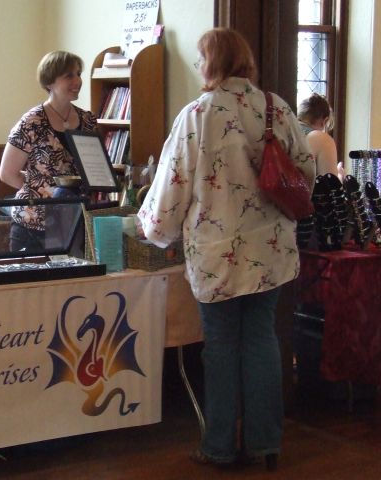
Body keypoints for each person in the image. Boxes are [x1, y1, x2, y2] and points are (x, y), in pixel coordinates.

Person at [137, 28, 315, 470]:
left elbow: (173, 184)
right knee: (262, 339)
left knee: (219, 346)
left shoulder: (198, 114)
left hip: (217, 253)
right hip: (270, 249)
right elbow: (306, 172)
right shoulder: (275, 107)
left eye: (201, 59)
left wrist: (154, 230)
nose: (198, 66)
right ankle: (265, 444)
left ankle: (219, 446)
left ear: (213, 62)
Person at [0, 50, 97, 252]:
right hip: (32, 225)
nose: (77, 81)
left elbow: (94, 168)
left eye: (78, 74)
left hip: (74, 223)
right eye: (69, 75)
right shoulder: (32, 122)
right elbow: (7, 173)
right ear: (49, 82)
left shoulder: (88, 120)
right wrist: (41, 190)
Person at [298, 93, 344, 179]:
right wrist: (340, 176)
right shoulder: (321, 139)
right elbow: (330, 186)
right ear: (325, 121)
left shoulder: (287, 130)